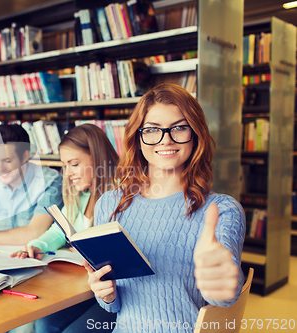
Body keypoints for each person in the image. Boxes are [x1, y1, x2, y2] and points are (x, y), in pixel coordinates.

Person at [84, 83, 246, 333]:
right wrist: (105, 294)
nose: (166, 139)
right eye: (152, 130)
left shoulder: (222, 210)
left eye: (179, 127)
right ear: (138, 137)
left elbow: (226, 297)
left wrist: (223, 281)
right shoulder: (110, 203)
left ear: (196, 134)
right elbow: (112, 307)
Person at [13, 123, 119, 332]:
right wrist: (37, 245)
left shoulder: (121, 198)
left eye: (74, 164)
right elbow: (58, 230)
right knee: (44, 324)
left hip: (114, 294)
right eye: (65, 165)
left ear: (98, 159)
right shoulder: (81, 196)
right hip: (85, 288)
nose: (68, 173)